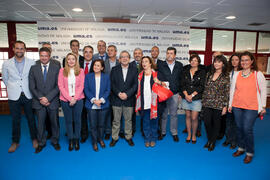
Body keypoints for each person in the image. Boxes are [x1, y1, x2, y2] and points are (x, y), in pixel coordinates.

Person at [229, 51, 266, 164]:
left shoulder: (257, 74)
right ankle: (241, 148)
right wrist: (230, 104)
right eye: (242, 60)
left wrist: (263, 106)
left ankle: (249, 152)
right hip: (237, 105)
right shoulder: (237, 74)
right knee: (239, 128)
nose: (244, 62)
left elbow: (263, 90)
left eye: (246, 60)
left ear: (251, 61)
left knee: (247, 129)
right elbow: (232, 91)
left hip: (252, 106)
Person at [2, 41, 37, 153]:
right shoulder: (6, 63)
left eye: (22, 48)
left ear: (25, 50)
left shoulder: (32, 62)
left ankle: (34, 139)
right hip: (14, 96)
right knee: (15, 120)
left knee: (31, 119)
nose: (19, 50)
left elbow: (34, 78)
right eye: (17, 48)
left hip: (28, 95)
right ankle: (15, 141)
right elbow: (5, 79)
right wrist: (13, 87)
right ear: (13, 49)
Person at [29, 47, 61, 153]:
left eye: (46, 55)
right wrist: (41, 98)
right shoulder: (33, 68)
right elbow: (32, 86)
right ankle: (41, 143)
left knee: (54, 123)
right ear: (39, 56)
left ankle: (55, 141)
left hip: (52, 101)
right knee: (40, 124)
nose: (44, 58)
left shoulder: (56, 68)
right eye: (41, 55)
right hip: (39, 102)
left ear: (49, 56)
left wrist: (48, 98)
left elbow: (58, 85)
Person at [110, 51, 138, 147]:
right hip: (116, 99)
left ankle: (128, 137)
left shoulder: (134, 70)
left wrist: (127, 94)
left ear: (129, 58)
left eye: (126, 57)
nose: (124, 58)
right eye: (122, 57)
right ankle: (114, 137)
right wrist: (118, 93)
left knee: (128, 120)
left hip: (129, 99)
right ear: (119, 59)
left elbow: (135, 85)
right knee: (116, 120)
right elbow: (112, 84)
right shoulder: (114, 69)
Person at [202, 55, 230, 151]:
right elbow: (205, 89)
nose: (216, 64)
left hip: (218, 104)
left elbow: (227, 92)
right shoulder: (209, 74)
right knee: (207, 122)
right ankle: (209, 139)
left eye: (219, 62)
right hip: (207, 103)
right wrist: (203, 101)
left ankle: (212, 142)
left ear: (223, 64)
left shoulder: (226, 76)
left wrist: (225, 106)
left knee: (216, 124)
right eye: (215, 61)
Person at [135, 56, 164, 147]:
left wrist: (159, 82)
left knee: (154, 122)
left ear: (150, 63)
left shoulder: (157, 74)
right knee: (145, 122)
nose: (144, 63)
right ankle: (147, 138)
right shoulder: (140, 75)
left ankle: (154, 138)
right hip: (144, 103)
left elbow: (166, 85)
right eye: (143, 62)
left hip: (155, 103)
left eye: (146, 61)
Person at [58, 53, 85, 151]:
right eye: (69, 59)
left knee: (77, 121)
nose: (71, 61)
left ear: (76, 60)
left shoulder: (81, 71)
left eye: (73, 59)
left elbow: (81, 86)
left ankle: (76, 139)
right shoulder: (62, 71)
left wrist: (75, 98)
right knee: (68, 121)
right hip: (65, 100)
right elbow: (61, 86)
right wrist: (70, 99)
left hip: (78, 99)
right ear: (66, 61)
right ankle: (71, 139)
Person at [84, 60, 110, 151]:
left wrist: (101, 100)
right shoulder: (88, 76)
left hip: (103, 104)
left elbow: (108, 90)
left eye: (98, 65)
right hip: (91, 105)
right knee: (93, 125)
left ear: (102, 68)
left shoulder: (106, 77)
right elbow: (86, 90)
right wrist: (94, 100)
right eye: (95, 65)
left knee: (102, 124)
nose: (96, 67)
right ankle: (94, 141)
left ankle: (100, 139)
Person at [158, 47, 183, 142]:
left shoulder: (179, 65)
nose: (169, 55)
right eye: (168, 53)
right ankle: (162, 132)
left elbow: (181, 79)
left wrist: (180, 92)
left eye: (171, 53)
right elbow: (158, 78)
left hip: (175, 93)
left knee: (174, 114)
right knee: (163, 114)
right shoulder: (161, 65)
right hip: (164, 94)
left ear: (175, 55)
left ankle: (174, 132)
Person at [181, 55, 206, 144]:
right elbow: (182, 85)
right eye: (192, 60)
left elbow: (202, 86)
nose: (193, 62)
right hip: (186, 97)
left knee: (194, 117)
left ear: (198, 62)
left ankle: (194, 134)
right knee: (187, 116)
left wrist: (191, 95)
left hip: (196, 98)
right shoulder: (185, 71)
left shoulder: (202, 72)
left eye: (195, 60)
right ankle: (189, 134)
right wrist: (186, 95)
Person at [40, 42, 61, 140]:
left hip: (53, 97)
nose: (47, 50)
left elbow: (59, 81)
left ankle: (55, 136)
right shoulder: (36, 63)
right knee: (44, 120)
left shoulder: (57, 63)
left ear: (50, 51)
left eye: (48, 49)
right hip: (40, 98)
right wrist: (42, 98)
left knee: (54, 119)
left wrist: (49, 97)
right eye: (45, 48)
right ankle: (48, 133)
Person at [222, 53, 241, 149]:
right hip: (228, 99)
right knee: (228, 121)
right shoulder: (228, 72)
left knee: (236, 122)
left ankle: (234, 141)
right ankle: (228, 139)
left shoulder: (242, 73)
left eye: (236, 60)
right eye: (232, 60)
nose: (234, 62)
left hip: (238, 100)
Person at [104, 45, 120, 140]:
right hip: (106, 91)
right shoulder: (104, 63)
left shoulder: (120, 62)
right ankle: (108, 131)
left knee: (118, 113)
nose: (109, 52)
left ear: (116, 52)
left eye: (112, 50)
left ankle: (120, 131)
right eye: (108, 50)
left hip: (118, 91)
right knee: (107, 112)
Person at [80, 45, 94, 143]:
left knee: (93, 117)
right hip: (80, 95)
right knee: (82, 116)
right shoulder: (78, 64)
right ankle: (84, 134)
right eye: (86, 52)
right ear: (83, 53)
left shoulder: (97, 64)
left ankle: (95, 134)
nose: (88, 54)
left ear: (93, 53)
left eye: (90, 52)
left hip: (93, 95)